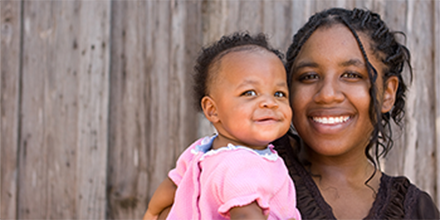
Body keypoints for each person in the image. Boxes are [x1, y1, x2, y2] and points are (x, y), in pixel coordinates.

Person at [272, 7, 440, 219]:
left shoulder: (416, 211)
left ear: (387, 93)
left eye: (351, 75)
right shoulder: (248, 170)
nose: (327, 94)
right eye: (309, 76)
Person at [143, 33, 301, 220]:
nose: (270, 102)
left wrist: (151, 214)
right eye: (249, 92)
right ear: (212, 110)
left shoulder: (201, 149)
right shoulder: (243, 164)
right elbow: (246, 215)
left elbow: (173, 184)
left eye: (279, 93)